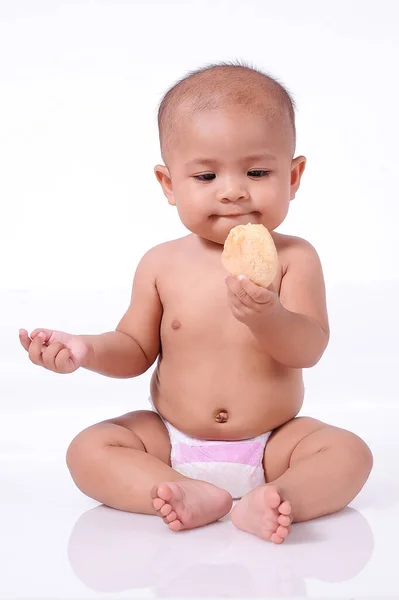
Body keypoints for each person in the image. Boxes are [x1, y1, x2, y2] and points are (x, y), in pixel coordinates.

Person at [19, 62, 373, 544]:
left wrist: (270, 317)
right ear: (169, 185)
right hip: (170, 440)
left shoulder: (294, 258)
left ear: (293, 176)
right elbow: (134, 350)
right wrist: (85, 351)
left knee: (348, 452)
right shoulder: (161, 264)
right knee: (89, 448)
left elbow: (307, 349)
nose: (233, 190)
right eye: (206, 175)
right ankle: (183, 490)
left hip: (273, 443)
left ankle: (276, 496)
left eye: (257, 171)